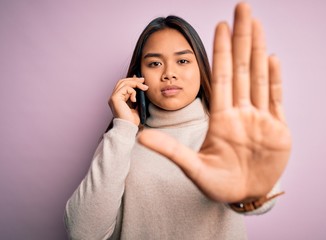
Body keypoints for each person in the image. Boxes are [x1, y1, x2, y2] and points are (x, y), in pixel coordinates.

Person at [64, 2, 291, 239]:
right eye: (154, 63)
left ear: (201, 67)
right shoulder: (121, 139)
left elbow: (263, 198)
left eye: (182, 61)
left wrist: (249, 194)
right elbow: (82, 233)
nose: (168, 73)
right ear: (137, 76)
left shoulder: (226, 132)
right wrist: (123, 128)